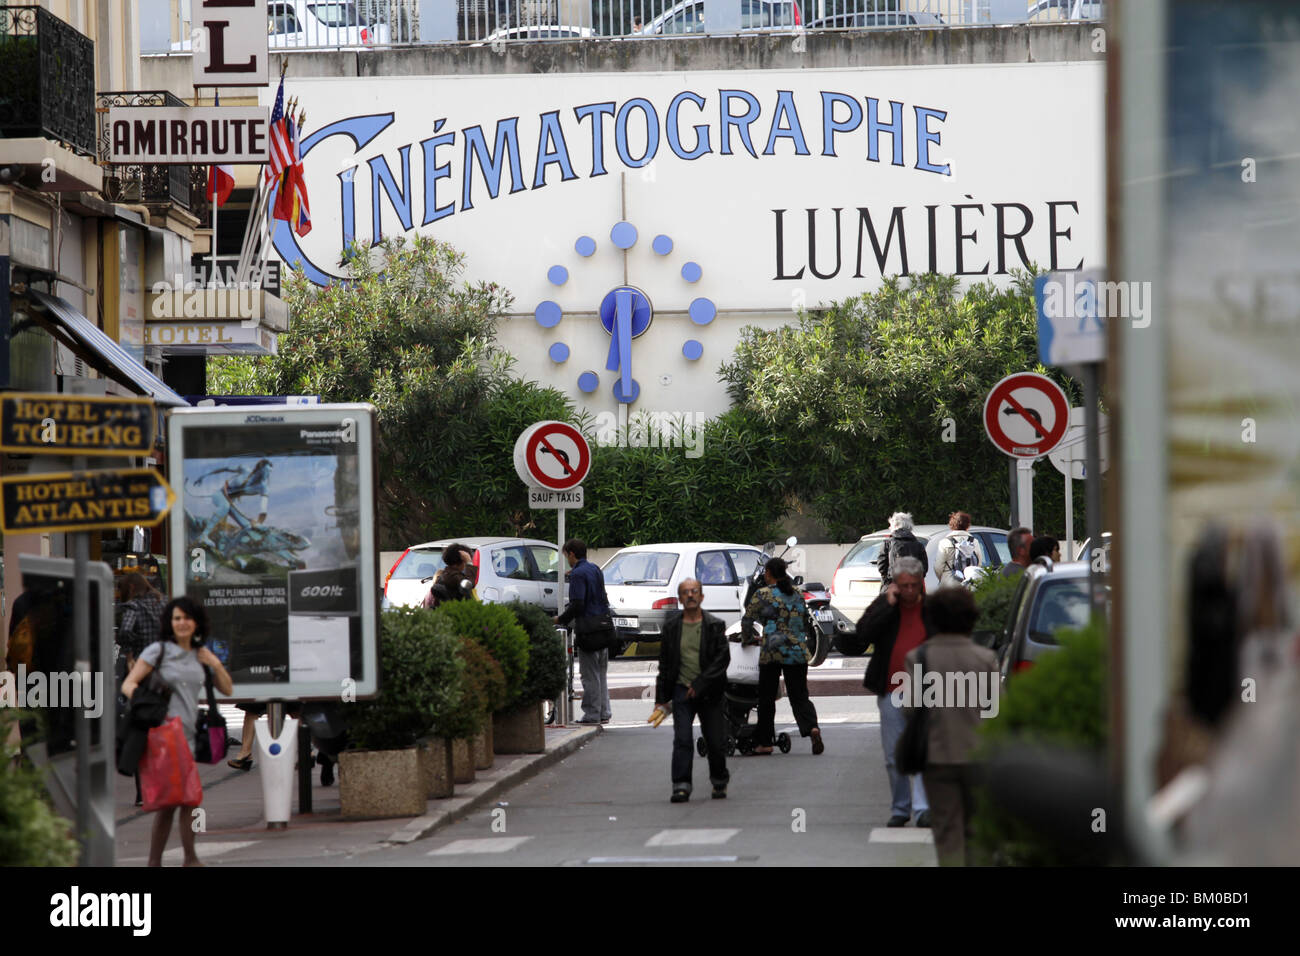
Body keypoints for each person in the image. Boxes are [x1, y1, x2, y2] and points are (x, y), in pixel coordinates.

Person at [122, 596, 233, 867]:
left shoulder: (200, 654)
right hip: (164, 735)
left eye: (187, 618)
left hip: (190, 735)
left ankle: (164, 860)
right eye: (177, 618)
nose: (182, 623)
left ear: (197, 622)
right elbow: (129, 684)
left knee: (182, 800)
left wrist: (215, 664)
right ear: (169, 623)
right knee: (181, 798)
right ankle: (186, 858)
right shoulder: (158, 651)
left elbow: (227, 690)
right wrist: (152, 708)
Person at [903, 587, 999, 865]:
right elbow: (996, 711)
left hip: (937, 756)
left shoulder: (918, 658)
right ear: (970, 618)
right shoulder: (985, 659)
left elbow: (910, 709)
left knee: (947, 831)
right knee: (977, 831)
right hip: (979, 756)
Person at [856, 556, 934, 827]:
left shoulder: (933, 610)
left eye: (914, 585)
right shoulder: (886, 606)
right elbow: (862, 634)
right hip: (891, 690)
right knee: (894, 756)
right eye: (904, 586)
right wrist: (886, 605)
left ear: (921, 584)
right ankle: (901, 807)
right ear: (896, 586)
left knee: (925, 751)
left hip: (927, 691)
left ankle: (924, 809)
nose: (910, 591)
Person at [654, 578, 730, 802]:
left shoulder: (715, 625)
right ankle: (681, 785)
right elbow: (665, 664)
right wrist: (661, 699)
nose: (690, 595)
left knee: (715, 741)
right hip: (681, 691)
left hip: (710, 692)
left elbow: (721, 659)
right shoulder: (672, 627)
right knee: (683, 739)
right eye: (685, 592)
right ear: (679, 598)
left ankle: (719, 781)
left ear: (702, 597)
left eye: (694, 591)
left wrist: (700, 684)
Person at [741, 557, 824, 756]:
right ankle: (812, 727)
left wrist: (747, 639)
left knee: (766, 699)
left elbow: (747, 620)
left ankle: (765, 742)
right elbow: (804, 620)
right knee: (799, 696)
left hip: (772, 651)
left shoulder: (763, 594)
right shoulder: (796, 594)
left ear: (768, 573)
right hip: (797, 652)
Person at [555, 538, 614, 724]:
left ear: (572, 553)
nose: (567, 560)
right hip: (603, 627)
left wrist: (561, 619)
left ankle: (592, 714)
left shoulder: (578, 574)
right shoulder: (595, 569)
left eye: (566, 556)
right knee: (601, 673)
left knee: (589, 676)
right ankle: (604, 712)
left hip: (588, 630)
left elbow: (578, 604)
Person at [118, 573, 165, 671]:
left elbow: (125, 630)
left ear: (131, 587)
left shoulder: (134, 606)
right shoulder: (163, 601)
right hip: (162, 662)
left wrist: (129, 656)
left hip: (140, 662)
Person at [877, 512, 929, 587]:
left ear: (896, 525)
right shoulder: (918, 545)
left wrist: (888, 579)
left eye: (890, 525)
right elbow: (924, 568)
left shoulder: (888, 543)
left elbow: (881, 565)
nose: (889, 528)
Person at [422, 543, 477, 608]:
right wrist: (469, 563)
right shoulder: (454, 576)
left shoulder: (445, 574)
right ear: (462, 561)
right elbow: (469, 584)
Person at [934, 511, 979, 588]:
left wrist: (943, 578)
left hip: (949, 586)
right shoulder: (974, 542)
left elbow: (938, 567)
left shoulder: (945, 542)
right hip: (969, 586)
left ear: (951, 525)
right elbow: (978, 564)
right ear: (967, 525)